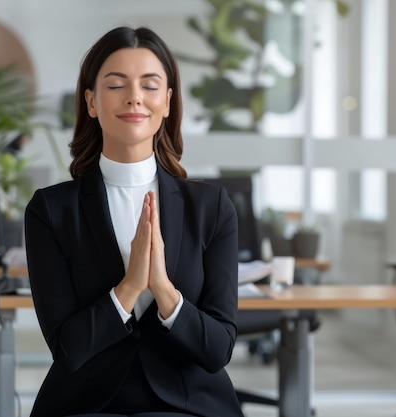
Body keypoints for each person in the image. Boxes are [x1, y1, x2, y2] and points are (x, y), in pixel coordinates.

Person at [24, 26, 243, 417]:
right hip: (85, 406)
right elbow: (67, 349)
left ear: (168, 102)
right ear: (91, 101)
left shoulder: (211, 208)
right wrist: (128, 288)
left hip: (191, 405)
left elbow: (218, 349)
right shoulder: (51, 210)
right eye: (116, 85)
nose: (134, 97)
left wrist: (163, 289)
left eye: (150, 85)